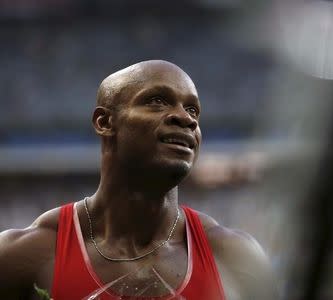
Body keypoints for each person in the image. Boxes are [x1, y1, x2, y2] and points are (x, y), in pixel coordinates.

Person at [0, 60, 276, 299]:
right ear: (104, 122)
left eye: (193, 110)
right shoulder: (25, 256)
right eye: (157, 101)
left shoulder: (236, 258)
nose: (185, 118)